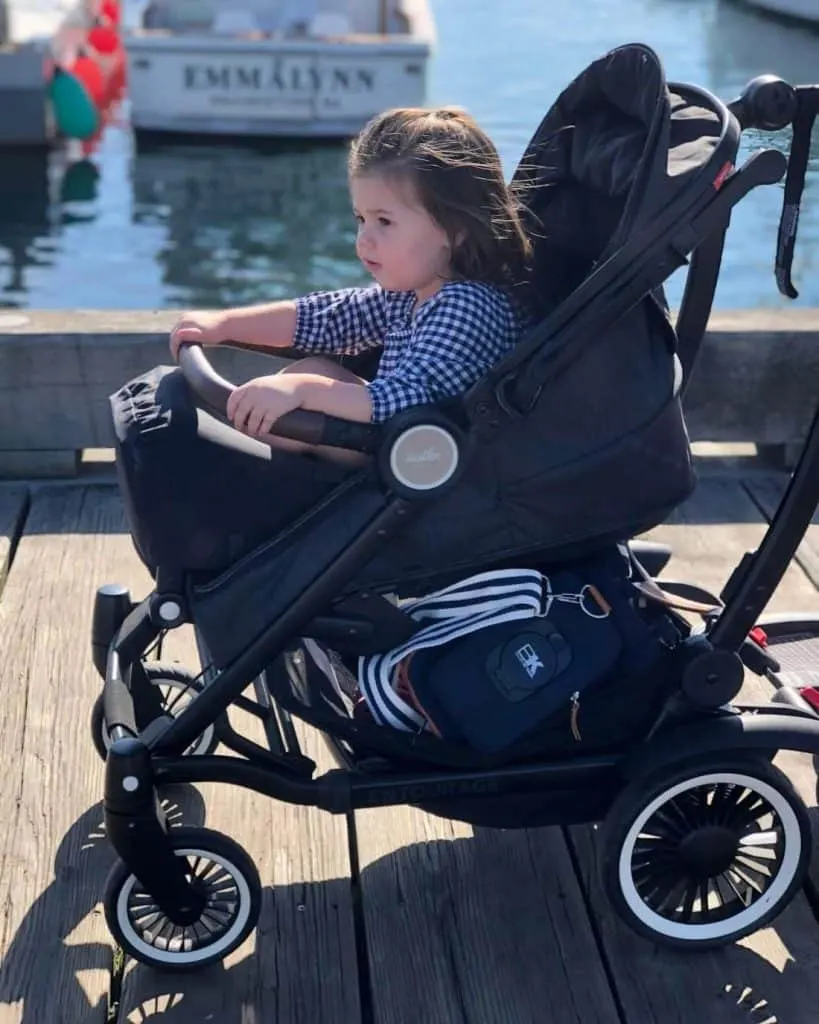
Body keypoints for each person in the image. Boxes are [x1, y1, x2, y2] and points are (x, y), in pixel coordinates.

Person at [169, 106, 531, 461]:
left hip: (426, 462)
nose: (363, 240)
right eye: (361, 218)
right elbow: (324, 318)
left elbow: (407, 398)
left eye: (384, 222)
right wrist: (225, 325)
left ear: (455, 229)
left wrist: (303, 392)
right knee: (311, 373)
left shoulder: (467, 306)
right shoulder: (410, 291)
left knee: (299, 389)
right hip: (395, 443)